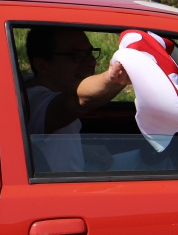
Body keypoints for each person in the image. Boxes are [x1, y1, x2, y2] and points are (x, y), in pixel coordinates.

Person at [25, 27, 130, 171]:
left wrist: (84, 150)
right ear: (42, 66)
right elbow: (76, 100)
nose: (91, 62)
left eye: (89, 53)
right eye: (77, 56)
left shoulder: (41, 85)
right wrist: (116, 76)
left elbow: (43, 144)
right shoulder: (33, 102)